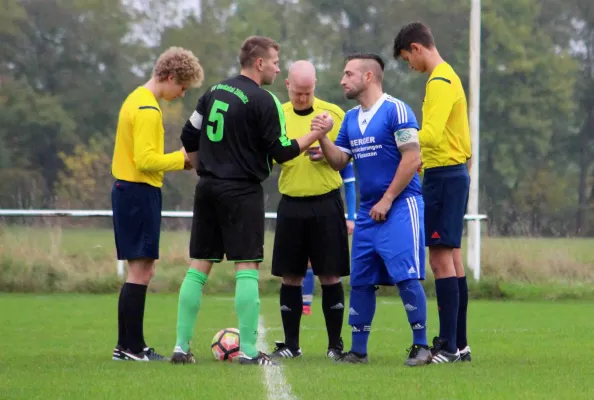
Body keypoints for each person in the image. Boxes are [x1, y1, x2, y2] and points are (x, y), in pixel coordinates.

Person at [170, 36, 334, 366]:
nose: (277, 66)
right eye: (275, 61)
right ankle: (248, 351)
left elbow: (189, 135)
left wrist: (203, 167)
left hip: (208, 188)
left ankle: (180, 347)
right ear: (259, 63)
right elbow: (283, 152)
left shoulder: (214, 92)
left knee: (199, 265)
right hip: (242, 191)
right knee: (247, 267)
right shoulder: (264, 100)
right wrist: (317, 133)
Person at [316, 53, 431, 366]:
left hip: (400, 204)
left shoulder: (396, 109)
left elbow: (412, 158)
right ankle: (358, 351)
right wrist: (323, 138)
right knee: (362, 280)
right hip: (368, 211)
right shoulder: (351, 118)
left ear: (368, 77)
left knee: (406, 275)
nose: (343, 80)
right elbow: (339, 160)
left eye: (349, 73)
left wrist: (388, 198)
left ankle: (421, 345)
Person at [110, 47, 204, 362]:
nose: (181, 94)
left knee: (139, 271)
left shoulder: (134, 97)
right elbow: (147, 160)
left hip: (128, 191)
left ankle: (126, 346)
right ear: (169, 77)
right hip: (138, 192)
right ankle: (133, 348)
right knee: (141, 272)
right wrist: (183, 159)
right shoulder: (148, 109)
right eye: (182, 87)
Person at [393, 21, 472, 363]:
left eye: (406, 58)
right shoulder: (449, 76)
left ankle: (448, 346)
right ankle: (460, 344)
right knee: (452, 259)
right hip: (450, 174)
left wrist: (399, 138)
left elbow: (433, 135)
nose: (409, 66)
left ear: (417, 48)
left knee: (439, 261)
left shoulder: (439, 80)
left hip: (444, 176)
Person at [268, 60, 355, 360]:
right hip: (291, 203)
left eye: (308, 92)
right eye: (298, 93)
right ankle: (291, 345)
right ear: (287, 85)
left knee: (330, 276)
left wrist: (325, 146)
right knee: (290, 276)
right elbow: (273, 158)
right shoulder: (277, 113)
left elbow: (344, 162)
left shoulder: (334, 115)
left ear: (315, 85)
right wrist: (302, 146)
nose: (303, 99)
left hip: (326, 203)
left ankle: (335, 346)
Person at [302, 159, 356, 316]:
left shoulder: (340, 152)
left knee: (329, 264)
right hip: (303, 206)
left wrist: (351, 217)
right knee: (305, 260)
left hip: (329, 211)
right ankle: (305, 304)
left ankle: (325, 308)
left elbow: (350, 185)